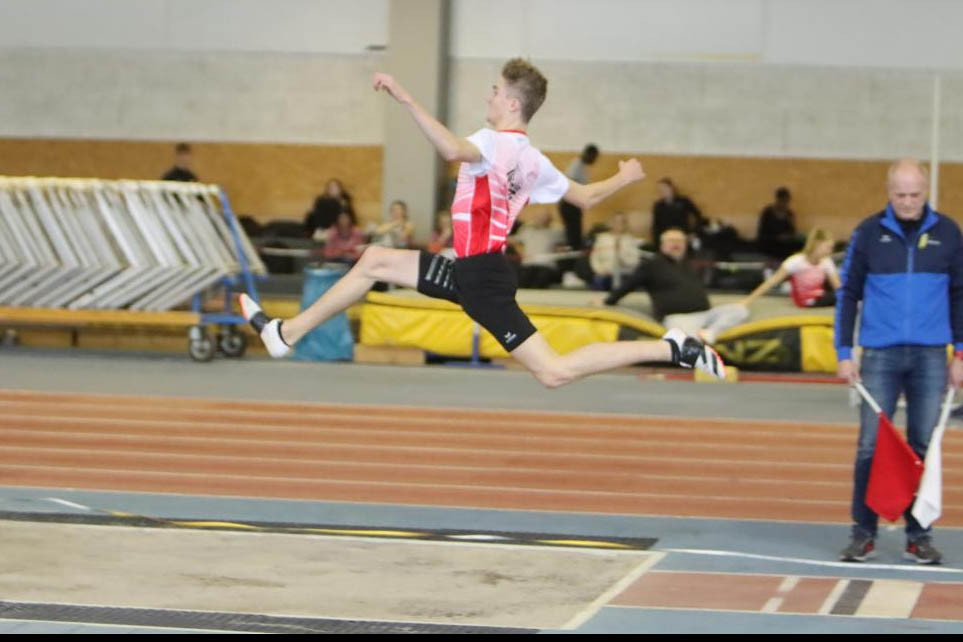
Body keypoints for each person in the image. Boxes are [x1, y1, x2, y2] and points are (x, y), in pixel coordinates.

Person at [240, 58, 725, 385]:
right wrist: (623, 177)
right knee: (374, 261)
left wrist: (405, 98)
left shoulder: (492, 144)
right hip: (473, 268)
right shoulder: (534, 161)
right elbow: (585, 197)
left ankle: (672, 349)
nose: (489, 97)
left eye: (495, 91)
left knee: (553, 372)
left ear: (513, 103)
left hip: (482, 280)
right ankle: (286, 335)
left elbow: (451, 149)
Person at [836, 159, 963, 565]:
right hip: (879, 355)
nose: (908, 203)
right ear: (888, 192)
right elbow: (848, 295)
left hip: (930, 356)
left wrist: (960, 353)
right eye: (900, 195)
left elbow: (961, 296)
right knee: (870, 446)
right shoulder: (868, 233)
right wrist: (843, 352)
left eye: (915, 195)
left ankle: (919, 536)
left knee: (923, 445)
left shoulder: (949, 233)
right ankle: (863, 532)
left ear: (926, 192)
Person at [602, 228, 748, 344]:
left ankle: (711, 333)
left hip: (705, 315)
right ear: (663, 245)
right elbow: (628, 285)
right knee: (686, 340)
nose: (676, 244)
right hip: (677, 318)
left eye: (680, 241)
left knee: (739, 310)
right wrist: (607, 301)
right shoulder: (652, 264)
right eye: (672, 241)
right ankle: (702, 351)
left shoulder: (689, 264)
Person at [741, 228, 841, 308]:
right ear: (816, 244)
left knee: (842, 296)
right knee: (839, 298)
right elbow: (772, 281)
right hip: (805, 300)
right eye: (828, 247)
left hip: (820, 295)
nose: (830, 251)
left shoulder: (827, 261)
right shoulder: (796, 261)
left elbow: (837, 286)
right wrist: (748, 300)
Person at [510, 208, 566, 289]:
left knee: (541, 280)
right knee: (522, 280)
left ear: (550, 219)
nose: (541, 219)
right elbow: (513, 240)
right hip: (528, 264)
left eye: (544, 217)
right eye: (539, 217)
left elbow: (566, 244)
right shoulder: (527, 230)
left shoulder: (556, 232)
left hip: (546, 265)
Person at [558, 143, 599, 250]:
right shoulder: (576, 165)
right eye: (594, 157)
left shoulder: (582, 167)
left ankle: (575, 250)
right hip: (569, 204)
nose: (594, 161)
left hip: (574, 204)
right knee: (573, 235)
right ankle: (573, 256)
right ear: (589, 154)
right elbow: (571, 184)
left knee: (576, 234)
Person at [588, 212, 642, 290]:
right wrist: (599, 270)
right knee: (598, 280)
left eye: (621, 222)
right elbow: (594, 257)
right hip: (604, 273)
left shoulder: (630, 240)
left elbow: (634, 261)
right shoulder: (602, 238)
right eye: (616, 221)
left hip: (624, 273)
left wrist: (621, 254)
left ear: (625, 224)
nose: (618, 224)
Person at [651, 178, 704, 243]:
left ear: (671, 188)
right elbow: (656, 225)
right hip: (667, 238)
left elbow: (698, 215)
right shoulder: (658, 206)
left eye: (665, 188)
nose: (663, 191)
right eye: (660, 190)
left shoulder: (684, 201)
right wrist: (657, 241)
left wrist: (695, 233)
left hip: (683, 236)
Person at [757, 187, 803, 259]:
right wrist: (777, 237)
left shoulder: (789, 214)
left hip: (785, 243)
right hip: (770, 242)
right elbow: (762, 232)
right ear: (777, 200)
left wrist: (788, 236)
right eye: (783, 201)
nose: (784, 204)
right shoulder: (767, 212)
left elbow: (792, 231)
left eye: (786, 201)